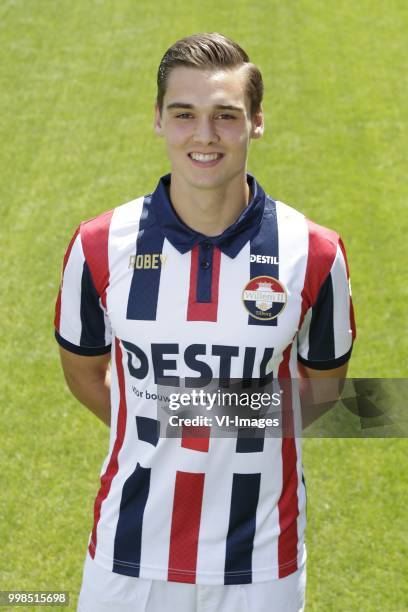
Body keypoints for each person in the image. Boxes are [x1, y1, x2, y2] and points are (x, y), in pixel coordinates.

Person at [55, 33, 356, 612]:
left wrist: (187, 411)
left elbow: (324, 392)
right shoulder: (99, 246)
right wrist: (155, 416)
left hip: (261, 561)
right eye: (184, 114)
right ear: (158, 121)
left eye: (225, 116)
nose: (204, 135)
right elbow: (86, 374)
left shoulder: (314, 253)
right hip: (127, 556)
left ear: (256, 123)